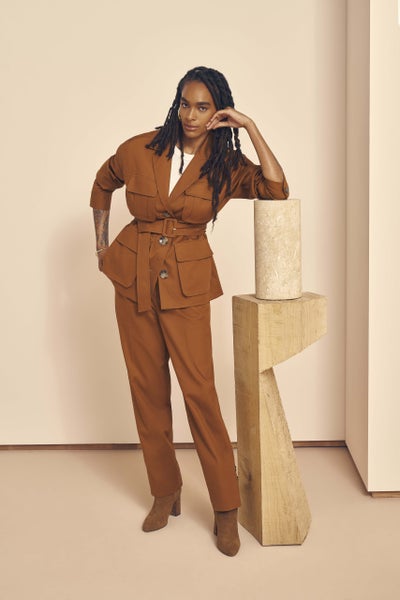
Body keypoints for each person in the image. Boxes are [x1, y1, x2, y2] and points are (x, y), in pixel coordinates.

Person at [90, 66, 289, 556]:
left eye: (203, 107)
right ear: (175, 103)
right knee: (147, 389)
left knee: (199, 391)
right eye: (185, 103)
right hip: (132, 278)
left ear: (219, 112)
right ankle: (165, 491)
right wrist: (102, 249)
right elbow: (102, 183)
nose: (191, 115)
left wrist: (251, 127)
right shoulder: (140, 148)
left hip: (187, 283)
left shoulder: (226, 164)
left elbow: (276, 189)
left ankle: (225, 508)